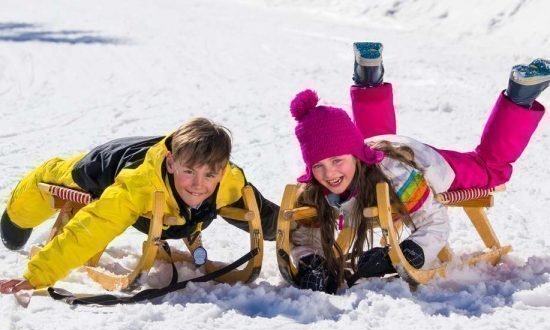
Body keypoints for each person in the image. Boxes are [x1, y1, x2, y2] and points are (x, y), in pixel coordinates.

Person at [289, 42, 549, 293]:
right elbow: (304, 233)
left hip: (421, 161)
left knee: (489, 167)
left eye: (336, 162)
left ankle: (520, 96)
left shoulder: (399, 177)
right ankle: (369, 76)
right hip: (377, 143)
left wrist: (404, 254)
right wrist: (312, 262)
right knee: (376, 134)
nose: (330, 173)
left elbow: (434, 222)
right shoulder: (318, 183)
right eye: (319, 165)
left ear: (355, 156)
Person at [0, 117, 279, 293]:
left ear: (222, 170)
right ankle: (11, 223)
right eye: (189, 172)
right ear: (171, 164)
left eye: (209, 175)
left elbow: (266, 217)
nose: (198, 184)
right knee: (53, 176)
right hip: (108, 164)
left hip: (157, 157)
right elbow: (92, 228)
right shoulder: (138, 187)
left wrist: (306, 232)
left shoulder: (229, 180)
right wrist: (37, 276)